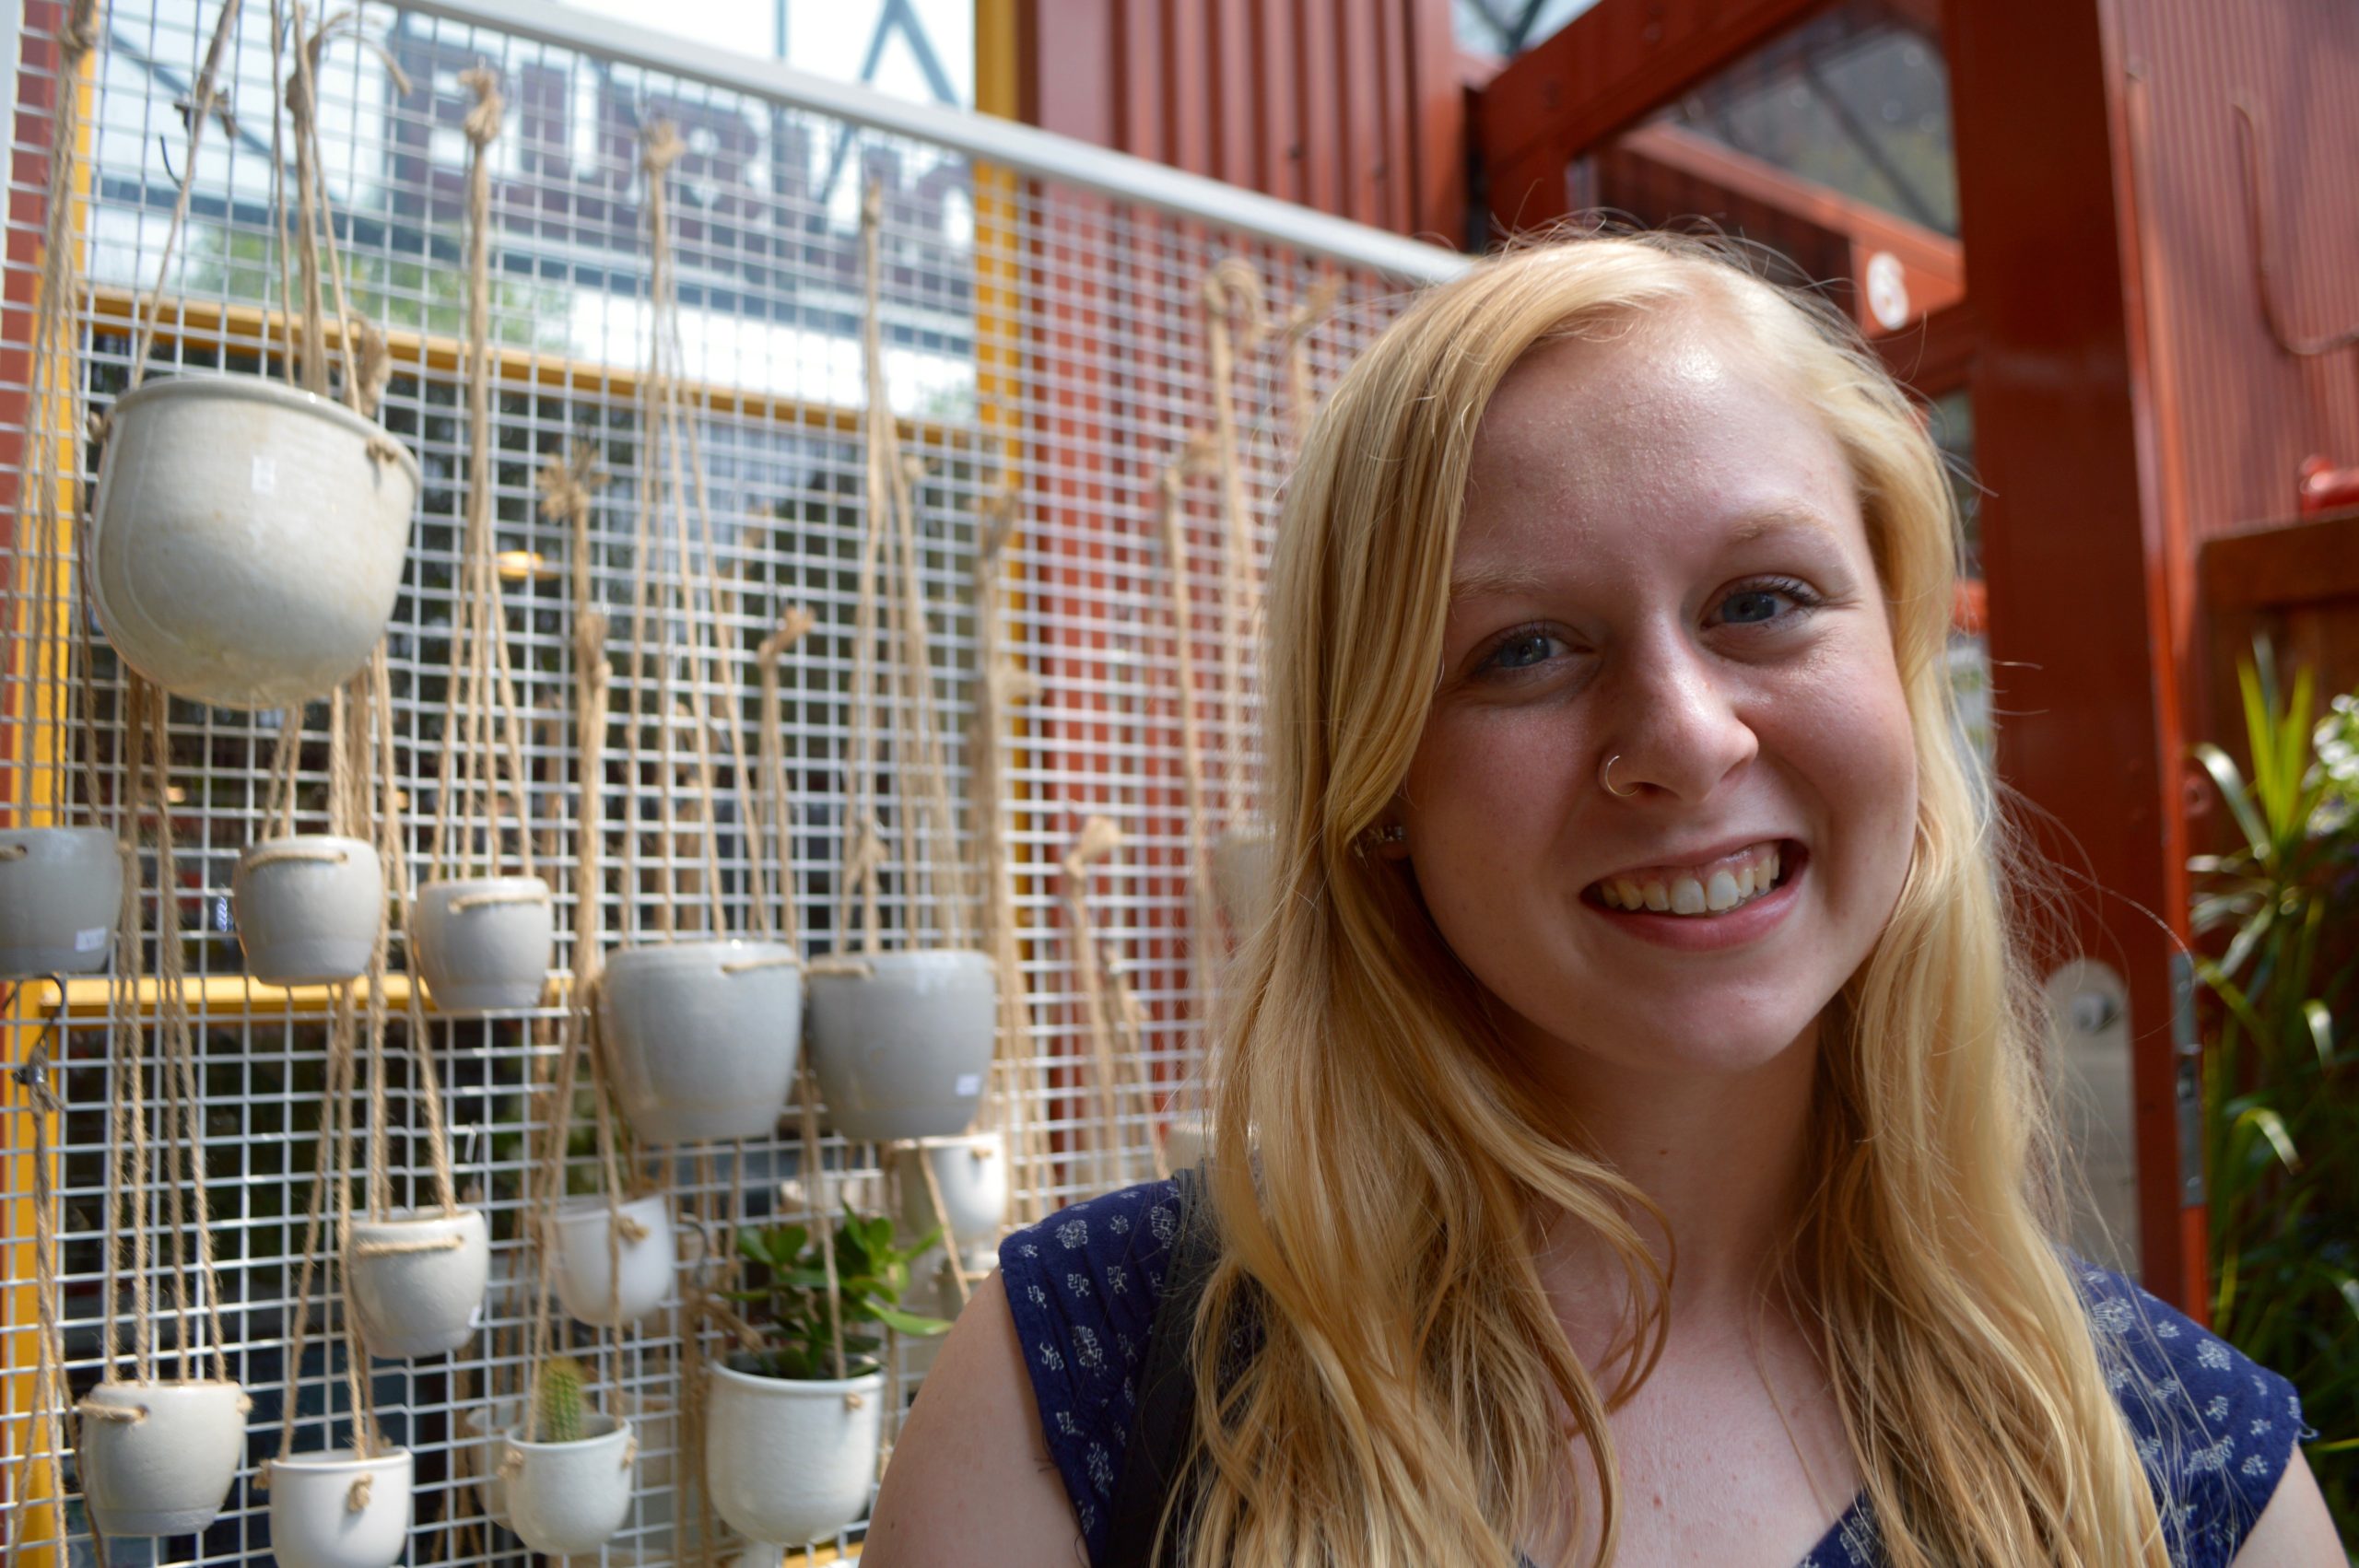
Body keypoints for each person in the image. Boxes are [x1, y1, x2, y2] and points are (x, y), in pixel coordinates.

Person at [863, 236, 2345, 1567]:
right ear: (1376, 781)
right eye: (1525, 649)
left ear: (1899, 668)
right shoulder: (1082, 1395)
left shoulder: (2188, 1471)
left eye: (1761, 600)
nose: (1689, 737)